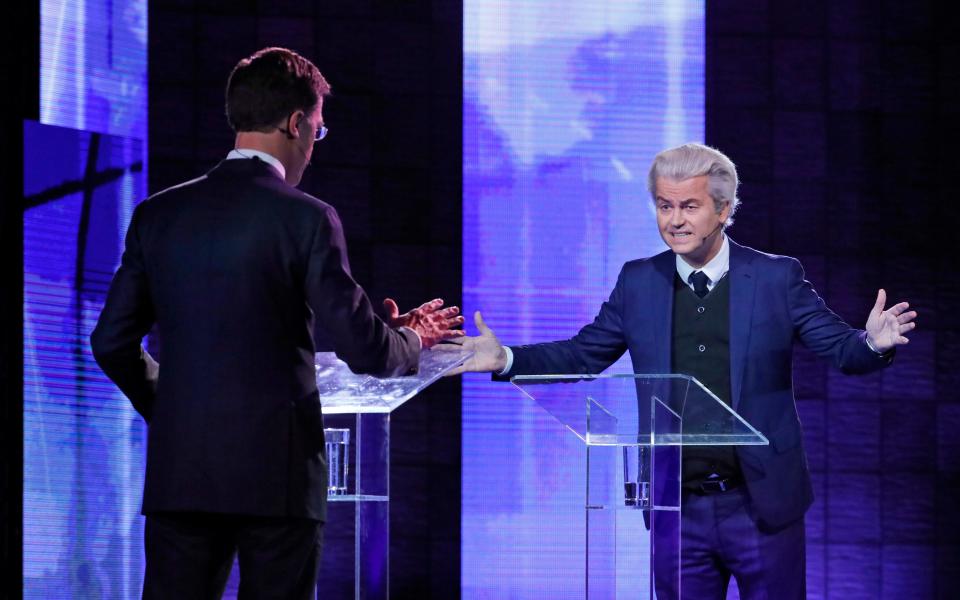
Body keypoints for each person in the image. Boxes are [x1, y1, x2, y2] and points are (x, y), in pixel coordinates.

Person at [443, 142, 917, 598]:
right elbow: (584, 353)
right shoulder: (638, 280)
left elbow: (840, 349)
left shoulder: (777, 277)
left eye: (689, 206)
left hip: (761, 503)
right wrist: (505, 358)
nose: (674, 221)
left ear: (724, 209)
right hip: (676, 506)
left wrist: (871, 343)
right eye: (664, 206)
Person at [90, 47, 464, 599]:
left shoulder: (158, 214)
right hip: (279, 482)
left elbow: (110, 341)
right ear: (296, 124)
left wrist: (171, 408)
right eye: (318, 128)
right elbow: (367, 351)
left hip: (182, 476)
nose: (315, 142)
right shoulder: (306, 218)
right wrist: (411, 338)